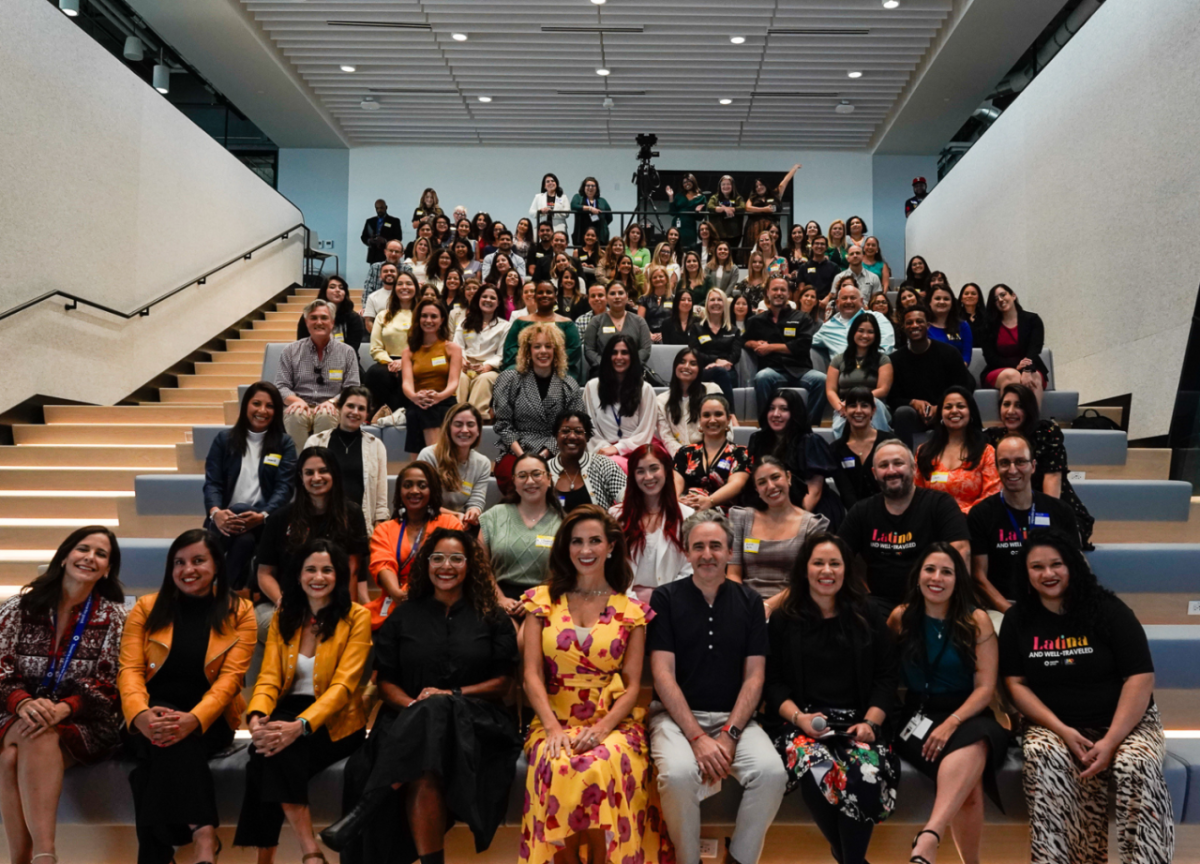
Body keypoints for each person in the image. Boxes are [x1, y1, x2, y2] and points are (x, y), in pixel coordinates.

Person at [323, 529, 521, 864]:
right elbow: (385, 682)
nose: (447, 566)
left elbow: (502, 683)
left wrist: (448, 696)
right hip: (407, 718)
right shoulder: (404, 615)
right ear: (425, 565)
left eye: (456, 558)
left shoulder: (492, 616)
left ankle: (366, 807)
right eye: (438, 558)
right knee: (425, 755)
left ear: (470, 565)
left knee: (435, 718)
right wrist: (418, 707)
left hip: (476, 722)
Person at [1000, 531, 1174, 864]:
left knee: (1135, 763)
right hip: (1053, 725)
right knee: (1043, 756)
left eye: (1056, 564)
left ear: (1072, 567)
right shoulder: (1017, 619)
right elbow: (1016, 683)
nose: (1047, 574)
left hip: (1127, 724)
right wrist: (1062, 730)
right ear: (1025, 572)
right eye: (1037, 567)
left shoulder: (1108, 609)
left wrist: (1110, 741)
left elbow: (1140, 677)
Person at [518, 506, 670, 864]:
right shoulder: (541, 601)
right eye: (577, 542)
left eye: (594, 541)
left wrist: (602, 729)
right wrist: (554, 729)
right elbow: (531, 676)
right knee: (557, 763)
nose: (586, 550)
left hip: (612, 720)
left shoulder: (632, 611)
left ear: (611, 546)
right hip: (552, 717)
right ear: (566, 548)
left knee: (603, 762)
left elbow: (632, 686)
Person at [647, 510, 787, 864]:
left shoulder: (751, 602)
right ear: (687, 552)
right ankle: (688, 859)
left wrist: (728, 735)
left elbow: (755, 676)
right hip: (676, 721)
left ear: (729, 551)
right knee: (678, 775)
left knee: (771, 774)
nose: (706, 554)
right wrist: (697, 737)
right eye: (698, 547)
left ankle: (739, 858)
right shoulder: (665, 598)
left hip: (735, 721)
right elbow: (662, 674)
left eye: (715, 546)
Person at [119, 529, 256, 864]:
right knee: (162, 730)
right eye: (179, 562)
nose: (187, 569)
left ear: (217, 566)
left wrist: (194, 719)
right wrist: (140, 715)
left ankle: (161, 850)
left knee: (150, 768)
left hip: (208, 722)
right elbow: (129, 672)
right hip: (145, 720)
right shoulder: (146, 608)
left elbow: (230, 680)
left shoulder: (240, 611)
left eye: (198, 560)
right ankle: (204, 835)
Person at [764, 533, 901, 864]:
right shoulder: (784, 618)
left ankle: (848, 859)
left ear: (846, 570)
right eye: (818, 563)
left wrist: (870, 723)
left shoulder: (868, 614)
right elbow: (773, 682)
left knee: (865, 775)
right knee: (817, 769)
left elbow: (887, 677)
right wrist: (799, 719)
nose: (827, 571)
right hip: (800, 723)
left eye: (835, 563)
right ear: (805, 568)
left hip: (859, 723)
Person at [234, 540, 371, 863]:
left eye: (327, 570)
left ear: (338, 576)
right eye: (310, 569)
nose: (318, 577)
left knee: (269, 754)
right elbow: (268, 677)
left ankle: (281, 854)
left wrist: (300, 726)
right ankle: (309, 851)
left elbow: (343, 686)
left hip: (337, 721)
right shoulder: (286, 615)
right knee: (266, 747)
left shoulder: (356, 617)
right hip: (288, 710)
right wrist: (256, 719)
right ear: (297, 575)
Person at [0, 527, 126, 864]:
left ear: (108, 569)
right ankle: (45, 855)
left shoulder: (114, 618)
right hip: (14, 712)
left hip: (85, 721)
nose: (90, 558)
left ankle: (27, 859)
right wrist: (23, 702)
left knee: (12, 756)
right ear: (65, 555)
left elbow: (110, 684)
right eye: (83, 549)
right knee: (34, 731)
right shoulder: (19, 608)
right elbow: (1, 669)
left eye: (101, 554)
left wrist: (64, 709)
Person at [886, 544, 1007, 864]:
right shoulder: (901, 617)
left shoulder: (976, 619)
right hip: (918, 715)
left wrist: (952, 721)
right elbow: (883, 675)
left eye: (947, 571)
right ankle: (962, 857)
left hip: (969, 713)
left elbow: (985, 689)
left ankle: (929, 836)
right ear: (918, 575)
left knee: (978, 739)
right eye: (930, 569)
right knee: (969, 788)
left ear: (958, 580)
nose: (936, 578)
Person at [838, 440, 970, 611]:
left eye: (898, 463)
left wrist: (948, 603)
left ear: (913, 468)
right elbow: (837, 555)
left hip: (934, 602)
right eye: (883, 465)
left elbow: (961, 552)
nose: (891, 471)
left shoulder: (940, 504)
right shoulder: (861, 511)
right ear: (874, 473)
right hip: (878, 605)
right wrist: (859, 592)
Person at [969, 433, 1080, 611]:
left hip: (1054, 603)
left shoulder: (1060, 511)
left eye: (1020, 462)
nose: (1012, 470)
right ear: (997, 468)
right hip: (1004, 606)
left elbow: (1076, 566)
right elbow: (978, 576)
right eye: (1005, 463)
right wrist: (1011, 613)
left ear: (1033, 466)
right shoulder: (981, 514)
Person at [204, 382, 296, 589]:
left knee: (239, 509)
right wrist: (216, 513)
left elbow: (285, 488)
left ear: (277, 411)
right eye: (256, 403)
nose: (262, 411)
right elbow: (212, 483)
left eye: (270, 406)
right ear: (246, 405)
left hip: (266, 522)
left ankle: (206, 585)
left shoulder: (284, 443)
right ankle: (224, 591)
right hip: (224, 520)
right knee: (244, 541)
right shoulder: (223, 440)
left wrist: (263, 516)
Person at [256, 446, 370, 614]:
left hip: (334, 602)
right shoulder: (280, 517)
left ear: (334, 474)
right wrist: (283, 603)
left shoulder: (352, 514)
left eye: (323, 471)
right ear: (301, 477)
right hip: (287, 603)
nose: (316, 478)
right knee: (269, 625)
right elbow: (264, 573)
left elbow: (353, 571)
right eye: (309, 473)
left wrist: (349, 613)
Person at [987, 384, 1094, 547]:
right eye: (1006, 404)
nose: (1010, 411)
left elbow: (1052, 479)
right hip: (1011, 507)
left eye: (1019, 405)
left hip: (1052, 507)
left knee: (1052, 542)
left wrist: (1044, 520)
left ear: (1029, 409)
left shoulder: (1046, 433)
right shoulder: (992, 437)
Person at [728, 457, 831, 613]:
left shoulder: (813, 525)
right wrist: (746, 605)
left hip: (793, 605)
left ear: (788, 477)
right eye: (762, 482)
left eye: (776, 477)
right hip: (745, 603)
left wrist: (768, 606)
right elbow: (733, 574)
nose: (771, 486)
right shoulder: (742, 518)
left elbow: (807, 581)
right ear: (756, 489)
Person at [368, 461, 464, 621]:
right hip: (395, 603)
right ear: (399, 491)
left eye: (422, 485)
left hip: (441, 603)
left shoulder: (450, 524)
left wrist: (411, 592)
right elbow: (382, 563)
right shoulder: (384, 529)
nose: (414, 491)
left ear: (432, 490)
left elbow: (449, 566)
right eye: (407, 485)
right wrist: (397, 593)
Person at [493, 324, 585, 480]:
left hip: (557, 450)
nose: (543, 351)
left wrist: (544, 454)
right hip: (516, 450)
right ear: (528, 351)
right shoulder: (509, 380)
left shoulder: (569, 384)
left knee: (561, 479)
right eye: (537, 346)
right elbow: (503, 425)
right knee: (513, 476)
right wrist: (523, 457)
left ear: (556, 351)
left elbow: (573, 428)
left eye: (548, 346)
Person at [746, 389, 843, 526]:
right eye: (771, 409)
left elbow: (814, 489)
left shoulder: (810, 441)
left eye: (784, 409)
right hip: (770, 502)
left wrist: (798, 521)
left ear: (795, 413)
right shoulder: (757, 439)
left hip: (809, 508)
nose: (776, 414)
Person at [611, 443, 693, 603]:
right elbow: (612, 566)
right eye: (640, 471)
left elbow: (689, 569)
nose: (648, 477)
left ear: (666, 471)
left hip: (672, 604)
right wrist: (632, 602)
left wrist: (662, 600)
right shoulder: (615, 516)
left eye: (654, 468)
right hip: (624, 603)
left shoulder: (688, 516)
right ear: (633, 476)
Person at [888, 305, 977, 451]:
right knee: (902, 413)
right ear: (903, 327)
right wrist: (912, 402)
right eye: (909, 322)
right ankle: (905, 461)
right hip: (914, 415)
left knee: (959, 409)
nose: (914, 325)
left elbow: (963, 388)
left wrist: (942, 406)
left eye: (919, 321)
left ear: (928, 325)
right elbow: (892, 398)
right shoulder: (895, 360)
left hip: (946, 411)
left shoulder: (950, 353)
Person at [276, 300, 362, 447]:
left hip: (332, 407)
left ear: (332, 322)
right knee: (295, 415)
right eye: (313, 318)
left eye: (324, 317)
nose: (319, 322)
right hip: (300, 404)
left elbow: (352, 387)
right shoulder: (290, 351)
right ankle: (300, 466)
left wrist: (332, 402)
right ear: (306, 322)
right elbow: (281, 386)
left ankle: (324, 465)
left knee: (326, 415)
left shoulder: (347, 352)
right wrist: (297, 401)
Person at [304, 386, 390, 528]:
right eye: (350, 406)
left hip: (360, 527)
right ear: (339, 407)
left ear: (367, 414)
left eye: (361, 408)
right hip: (321, 525)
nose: (355, 412)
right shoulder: (315, 442)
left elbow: (381, 502)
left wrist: (377, 532)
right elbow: (304, 490)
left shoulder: (376, 446)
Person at [745, 276, 826, 425]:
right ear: (767, 293)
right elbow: (743, 340)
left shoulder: (802, 318)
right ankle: (766, 426)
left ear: (789, 294)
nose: (779, 293)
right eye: (775, 289)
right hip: (773, 371)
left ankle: (809, 427)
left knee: (822, 380)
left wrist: (770, 347)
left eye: (783, 290)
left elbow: (802, 345)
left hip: (800, 371)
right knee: (762, 377)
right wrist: (753, 343)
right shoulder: (756, 321)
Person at [915, 387, 1001, 513]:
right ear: (941, 414)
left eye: (961, 406)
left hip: (973, 523)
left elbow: (992, 495)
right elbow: (917, 495)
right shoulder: (924, 451)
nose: (954, 411)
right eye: (948, 407)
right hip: (933, 524)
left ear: (970, 412)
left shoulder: (986, 452)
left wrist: (957, 518)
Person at [583, 335, 657, 470]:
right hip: (601, 451)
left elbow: (645, 431)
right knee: (610, 465)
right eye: (614, 353)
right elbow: (589, 428)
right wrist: (605, 448)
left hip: (637, 451)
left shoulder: (645, 390)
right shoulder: (592, 387)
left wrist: (618, 448)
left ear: (633, 357)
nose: (619, 357)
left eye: (625, 352)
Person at [401, 299, 463, 453]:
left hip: (445, 400)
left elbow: (454, 382)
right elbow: (406, 384)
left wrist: (438, 396)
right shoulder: (408, 352)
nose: (428, 320)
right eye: (424, 316)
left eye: (434, 316)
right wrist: (415, 397)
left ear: (442, 320)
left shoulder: (452, 348)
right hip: (418, 400)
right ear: (418, 319)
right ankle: (429, 463)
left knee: (425, 410)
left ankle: (427, 463)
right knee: (418, 411)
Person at [673, 394, 751, 512]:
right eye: (706, 415)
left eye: (718, 414)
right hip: (689, 511)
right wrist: (678, 500)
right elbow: (675, 487)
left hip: (726, 516)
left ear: (728, 420)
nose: (712, 420)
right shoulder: (685, 452)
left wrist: (709, 501)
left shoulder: (741, 452)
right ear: (700, 421)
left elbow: (737, 484)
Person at [417, 404, 491, 528]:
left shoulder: (483, 463)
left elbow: (476, 501)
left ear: (478, 430)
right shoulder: (428, 455)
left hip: (461, 525)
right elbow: (421, 502)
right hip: (427, 522)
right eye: (458, 424)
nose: (465, 430)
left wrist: (473, 513)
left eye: (471, 424)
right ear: (448, 428)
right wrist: (454, 516)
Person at [503, 281, 585, 383]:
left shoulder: (567, 323)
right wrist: (532, 361)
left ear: (555, 297)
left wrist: (546, 362)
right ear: (535, 297)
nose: (544, 295)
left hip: (559, 367)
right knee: (508, 375)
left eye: (549, 292)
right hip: (524, 366)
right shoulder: (520, 321)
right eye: (540, 292)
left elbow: (574, 351)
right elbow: (510, 349)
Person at [546, 409, 627, 512]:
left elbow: (629, 499)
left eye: (578, 431)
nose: (571, 436)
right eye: (565, 431)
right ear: (556, 436)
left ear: (587, 437)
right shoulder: (544, 470)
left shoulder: (604, 465)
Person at [364, 272, 419, 419]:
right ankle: (378, 416)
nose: (404, 287)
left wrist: (405, 362)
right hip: (387, 362)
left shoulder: (422, 314)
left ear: (416, 288)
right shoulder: (383, 315)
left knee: (406, 375)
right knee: (376, 373)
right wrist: (391, 362)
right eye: (400, 284)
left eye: (409, 283)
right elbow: (376, 347)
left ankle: (404, 417)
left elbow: (426, 345)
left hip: (416, 360)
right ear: (394, 289)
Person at [826, 314, 893, 435]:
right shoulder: (838, 359)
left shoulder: (883, 360)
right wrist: (841, 406)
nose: (865, 335)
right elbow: (830, 390)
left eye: (870, 332)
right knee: (843, 425)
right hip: (845, 406)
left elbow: (883, 389)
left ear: (876, 335)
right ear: (853, 332)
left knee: (875, 403)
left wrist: (858, 400)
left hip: (874, 406)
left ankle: (880, 447)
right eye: (860, 331)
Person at [451, 282, 509, 417]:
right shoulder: (465, 323)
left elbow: (501, 354)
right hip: (465, 366)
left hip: (490, 368)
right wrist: (462, 360)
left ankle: (477, 418)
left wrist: (487, 366)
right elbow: (457, 346)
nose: (488, 300)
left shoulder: (505, 326)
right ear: (478, 300)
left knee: (484, 380)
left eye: (492, 298)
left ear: (498, 303)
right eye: (484, 297)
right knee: (459, 378)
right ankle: (455, 417)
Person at [981, 284, 1048, 398]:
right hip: (998, 370)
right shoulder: (989, 326)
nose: (1000, 300)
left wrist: (1027, 369)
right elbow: (991, 358)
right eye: (996, 299)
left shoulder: (1032, 320)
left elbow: (1035, 349)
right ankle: (1010, 415)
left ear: (1013, 296)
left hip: (1031, 367)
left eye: (1003, 295)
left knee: (1034, 377)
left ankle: (1032, 416)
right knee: (1012, 375)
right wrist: (1017, 366)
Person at [655, 347, 724, 456]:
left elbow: (724, 428)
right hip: (679, 458)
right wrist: (686, 457)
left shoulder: (712, 390)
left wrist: (705, 457)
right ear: (675, 366)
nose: (686, 367)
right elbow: (667, 438)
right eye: (682, 362)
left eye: (693, 363)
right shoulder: (661, 401)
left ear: (699, 369)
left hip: (713, 454)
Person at [813, 277, 896, 357]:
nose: (848, 301)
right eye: (844, 298)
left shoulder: (878, 318)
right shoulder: (827, 327)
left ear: (861, 301)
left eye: (853, 298)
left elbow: (886, 347)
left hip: (874, 367)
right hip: (843, 369)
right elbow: (808, 342)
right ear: (837, 302)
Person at [831, 387, 884, 509]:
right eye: (853, 406)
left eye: (864, 406)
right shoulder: (836, 449)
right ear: (844, 410)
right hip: (855, 517)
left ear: (873, 411)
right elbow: (846, 492)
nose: (858, 411)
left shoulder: (889, 442)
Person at [689, 287, 742, 404]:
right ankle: (730, 414)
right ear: (707, 304)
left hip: (728, 371)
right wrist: (716, 361)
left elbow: (735, 355)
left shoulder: (734, 330)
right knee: (719, 372)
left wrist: (722, 364)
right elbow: (694, 352)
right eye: (712, 300)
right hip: (703, 370)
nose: (716, 303)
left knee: (722, 373)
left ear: (724, 304)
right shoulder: (697, 328)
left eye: (719, 300)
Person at [297, 275, 365, 350]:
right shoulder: (310, 316)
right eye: (332, 287)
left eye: (341, 288)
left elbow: (352, 349)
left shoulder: (354, 318)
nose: (337, 290)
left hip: (346, 359)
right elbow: (302, 344)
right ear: (324, 291)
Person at [743, 165, 800, 254]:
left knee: (773, 247)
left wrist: (794, 169)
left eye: (761, 185)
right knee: (755, 248)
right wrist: (764, 209)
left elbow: (783, 183)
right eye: (756, 186)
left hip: (772, 226)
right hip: (755, 227)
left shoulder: (775, 195)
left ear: (765, 185)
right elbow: (747, 208)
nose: (759, 187)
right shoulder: (752, 198)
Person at [927, 285, 973, 365]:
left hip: (958, 372)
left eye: (946, 299)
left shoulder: (963, 326)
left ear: (952, 303)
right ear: (930, 302)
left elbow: (966, 355)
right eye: (937, 298)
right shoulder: (923, 326)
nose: (942, 302)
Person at [363, 241, 415, 310]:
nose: (393, 254)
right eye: (391, 251)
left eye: (396, 252)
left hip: (400, 306)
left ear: (402, 254)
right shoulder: (375, 267)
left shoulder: (407, 269)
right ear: (385, 252)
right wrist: (366, 308)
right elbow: (368, 289)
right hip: (377, 305)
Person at [793, 235, 841, 307]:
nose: (819, 246)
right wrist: (811, 300)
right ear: (812, 246)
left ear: (826, 247)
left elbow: (835, 287)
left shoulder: (834, 267)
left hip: (827, 303)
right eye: (817, 243)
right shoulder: (804, 267)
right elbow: (801, 288)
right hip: (808, 303)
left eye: (822, 244)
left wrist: (827, 299)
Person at [665, 173, 708, 249]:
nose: (686, 184)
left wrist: (698, 212)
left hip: (690, 227)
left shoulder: (701, 198)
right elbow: (672, 212)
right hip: (677, 225)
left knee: (690, 248)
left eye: (688, 181)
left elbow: (700, 218)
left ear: (693, 182)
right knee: (676, 247)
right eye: (684, 182)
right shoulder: (679, 195)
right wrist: (671, 197)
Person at [569, 176, 613, 247]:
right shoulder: (578, 197)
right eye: (588, 185)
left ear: (596, 188)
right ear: (584, 187)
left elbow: (609, 217)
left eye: (593, 186)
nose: (590, 188)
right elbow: (573, 206)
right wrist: (590, 209)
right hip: (581, 232)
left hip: (599, 234)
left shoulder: (602, 201)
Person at [637, 265, 674, 343]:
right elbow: (640, 321)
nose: (658, 279)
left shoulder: (674, 299)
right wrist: (649, 334)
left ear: (666, 279)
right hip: (648, 335)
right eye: (654, 277)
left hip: (668, 335)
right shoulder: (644, 299)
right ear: (651, 280)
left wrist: (664, 334)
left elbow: (677, 321)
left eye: (661, 276)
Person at [707, 175, 746, 244]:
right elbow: (710, 206)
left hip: (734, 234)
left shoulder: (738, 198)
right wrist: (724, 209)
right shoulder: (714, 197)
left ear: (732, 186)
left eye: (728, 184)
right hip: (718, 233)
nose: (726, 187)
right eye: (723, 184)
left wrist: (732, 209)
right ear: (720, 186)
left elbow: (742, 207)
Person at [361, 199, 403, 265]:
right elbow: (363, 237)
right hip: (373, 255)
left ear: (386, 207)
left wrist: (385, 241)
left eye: (381, 208)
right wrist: (370, 241)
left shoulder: (394, 221)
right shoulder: (370, 221)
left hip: (388, 254)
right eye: (377, 208)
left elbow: (398, 238)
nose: (379, 210)